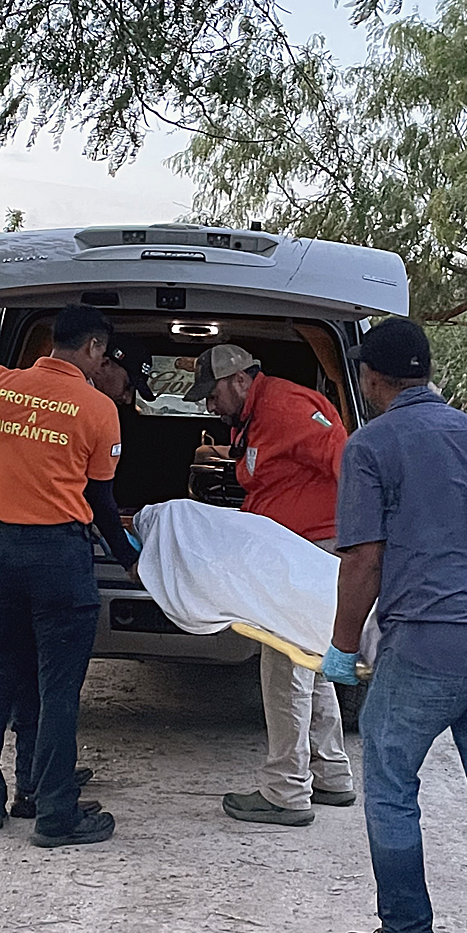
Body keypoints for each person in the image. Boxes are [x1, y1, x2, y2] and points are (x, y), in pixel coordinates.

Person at [321, 317, 467, 933]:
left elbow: (364, 559)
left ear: (375, 378)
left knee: (391, 785)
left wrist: (341, 647)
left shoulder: (371, 445)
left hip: (425, 643)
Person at [0, 257, 138, 848]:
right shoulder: (99, 410)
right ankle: (53, 814)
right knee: (57, 688)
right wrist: (129, 559)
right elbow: (100, 500)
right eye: (104, 354)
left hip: (3, 554)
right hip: (61, 562)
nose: (105, 364)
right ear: (92, 348)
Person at [184, 344, 355, 826]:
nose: (210, 405)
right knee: (311, 663)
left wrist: (366, 542)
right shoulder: (258, 416)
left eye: (213, 393)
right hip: (293, 550)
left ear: (240, 379)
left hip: (310, 550)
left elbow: (348, 464)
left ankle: (285, 791)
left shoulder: (287, 408)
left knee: (284, 669)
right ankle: (332, 775)